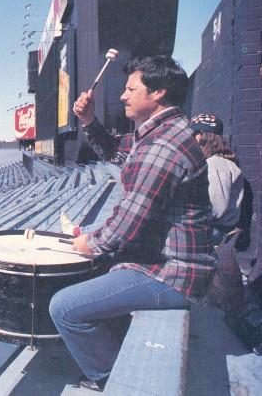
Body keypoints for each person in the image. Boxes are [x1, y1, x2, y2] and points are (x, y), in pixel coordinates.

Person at [49, 55, 215, 391]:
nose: (123, 95)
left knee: (63, 307)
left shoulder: (164, 146)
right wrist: (89, 120)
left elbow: (129, 221)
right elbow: (115, 151)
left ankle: (113, 377)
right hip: (167, 264)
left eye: (130, 89)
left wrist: (90, 243)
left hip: (174, 275)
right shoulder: (160, 133)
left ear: (157, 93)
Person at [189, 113, 244, 245]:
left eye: (194, 133)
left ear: (203, 136)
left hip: (213, 232)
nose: (190, 139)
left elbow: (216, 207)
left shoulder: (215, 164)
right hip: (215, 231)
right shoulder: (219, 162)